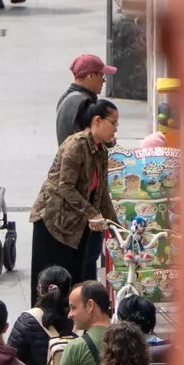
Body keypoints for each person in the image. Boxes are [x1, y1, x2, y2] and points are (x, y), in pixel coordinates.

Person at [34, 98, 119, 289]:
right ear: (97, 120)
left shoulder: (101, 151)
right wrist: (92, 214)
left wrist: (117, 228)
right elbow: (65, 187)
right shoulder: (75, 145)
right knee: (53, 285)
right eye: (113, 123)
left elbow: (102, 194)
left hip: (77, 225)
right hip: (53, 222)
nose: (115, 130)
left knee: (77, 281)